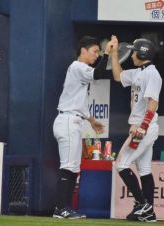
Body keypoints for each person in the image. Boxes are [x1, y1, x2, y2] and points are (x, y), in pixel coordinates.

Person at [52, 36, 113, 219]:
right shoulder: (77, 67)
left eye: (98, 52)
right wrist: (108, 53)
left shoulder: (78, 71)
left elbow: (80, 104)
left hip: (73, 120)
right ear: (83, 51)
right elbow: (99, 74)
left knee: (73, 168)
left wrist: (92, 120)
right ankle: (61, 208)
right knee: (68, 167)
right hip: (68, 121)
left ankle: (64, 208)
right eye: (95, 51)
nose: (97, 55)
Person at [110, 36, 161, 222]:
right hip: (143, 127)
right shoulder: (139, 72)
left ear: (142, 53)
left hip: (144, 128)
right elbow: (118, 75)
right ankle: (150, 214)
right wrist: (114, 53)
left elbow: (153, 102)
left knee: (121, 164)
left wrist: (143, 127)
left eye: (134, 51)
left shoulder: (152, 74)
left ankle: (143, 204)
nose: (131, 54)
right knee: (145, 170)